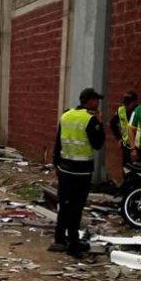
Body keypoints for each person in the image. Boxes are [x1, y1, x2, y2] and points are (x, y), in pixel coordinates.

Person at [52, 88, 105, 256]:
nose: (98, 103)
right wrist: (100, 123)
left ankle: (59, 239)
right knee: (76, 207)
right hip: (81, 172)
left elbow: (58, 143)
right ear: (89, 101)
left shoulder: (65, 116)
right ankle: (73, 243)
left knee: (64, 204)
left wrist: (56, 165)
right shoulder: (89, 119)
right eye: (96, 100)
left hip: (65, 169)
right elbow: (97, 144)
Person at [109, 91, 138, 166]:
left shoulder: (139, 111)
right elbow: (112, 124)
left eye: (128, 103)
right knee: (126, 168)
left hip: (138, 146)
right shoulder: (121, 110)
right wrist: (119, 138)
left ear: (135, 102)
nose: (126, 106)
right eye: (125, 103)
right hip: (126, 145)